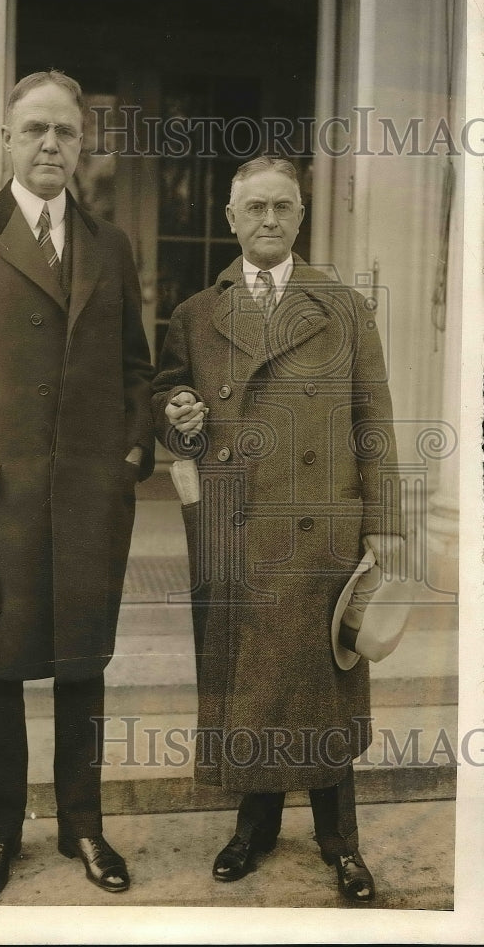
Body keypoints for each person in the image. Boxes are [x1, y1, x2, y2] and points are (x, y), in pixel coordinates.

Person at [0, 70, 154, 900]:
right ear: (7, 139)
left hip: (88, 503)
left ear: (84, 145)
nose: (52, 145)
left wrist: (126, 456)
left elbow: (133, 369)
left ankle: (86, 828)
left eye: (67, 133)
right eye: (35, 130)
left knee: (84, 668)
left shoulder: (112, 245)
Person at [152, 156, 403, 903]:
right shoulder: (196, 313)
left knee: (326, 682)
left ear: (301, 218)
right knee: (253, 684)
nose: (268, 220)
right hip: (236, 528)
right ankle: (253, 825)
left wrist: (385, 523)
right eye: (254, 207)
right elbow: (169, 401)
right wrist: (179, 415)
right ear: (230, 219)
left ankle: (342, 841)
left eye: (283, 208)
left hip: (323, 525)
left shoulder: (345, 307)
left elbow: (375, 421)